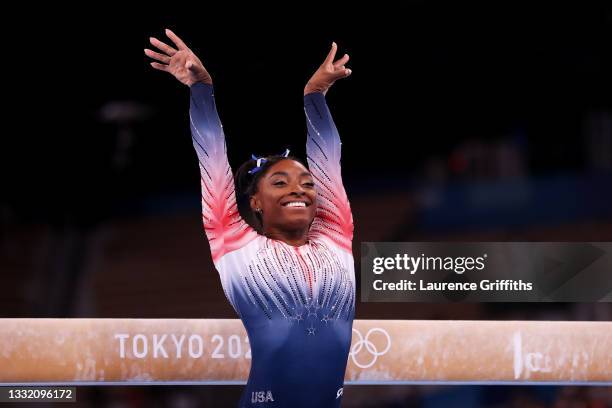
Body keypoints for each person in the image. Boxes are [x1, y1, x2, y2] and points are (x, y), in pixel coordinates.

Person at [145, 29, 354, 407]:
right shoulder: (233, 240)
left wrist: (315, 97)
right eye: (280, 182)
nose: (299, 188)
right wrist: (201, 90)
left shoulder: (335, 235)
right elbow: (210, 152)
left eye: (307, 182)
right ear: (254, 202)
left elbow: (329, 159)